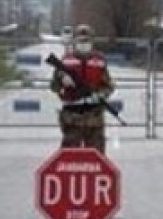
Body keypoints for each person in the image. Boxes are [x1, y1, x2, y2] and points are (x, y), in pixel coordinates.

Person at [49, 24, 114, 154]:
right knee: (69, 156)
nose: (83, 44)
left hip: (94, 117)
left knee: (96, 157)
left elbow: (108, 86)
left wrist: (100, 95)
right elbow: (53, 86)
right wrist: (62, 82)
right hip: (72, 117)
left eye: (86, 41)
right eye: (80, 41)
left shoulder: (99, 61)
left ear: (92, 42)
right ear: (74, 41)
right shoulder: (65, 61)